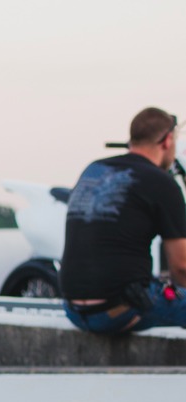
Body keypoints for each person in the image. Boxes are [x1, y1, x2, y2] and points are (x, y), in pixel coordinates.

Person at [62, 108, 186, 335]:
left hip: (73, 310)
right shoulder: (161, 182)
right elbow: (181, 267)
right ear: (167, 141)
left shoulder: (94, 169)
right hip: (118, 310)